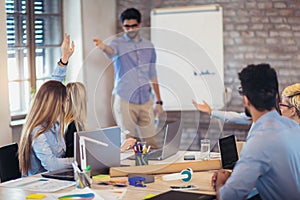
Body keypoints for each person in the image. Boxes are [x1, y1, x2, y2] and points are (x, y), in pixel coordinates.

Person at [211, 64, 300, 199]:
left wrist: (220, 183)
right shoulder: (293, 127)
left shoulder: (259, 141)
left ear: (246, 100)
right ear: (276, 96)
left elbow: (228, 196)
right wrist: (238, 177)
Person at [93, 8, 163, 147]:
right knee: (128, 140)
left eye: (133, 26)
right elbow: (110, 52)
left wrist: (159, 102)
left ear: (140, 25)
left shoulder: (148, 46)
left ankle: (152, 168)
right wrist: (102, 47)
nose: (130, 29)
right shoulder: (117, 43)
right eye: (126, 26)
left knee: (151, 141)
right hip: (125, 98)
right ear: (122, 26)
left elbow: (152, 74)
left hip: (145, 99)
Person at [18, 80, 73, 176]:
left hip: (53, 178)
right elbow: (51, 165)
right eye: (66, 100)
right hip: (38, 184)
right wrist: (77, 161)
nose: (67, 104)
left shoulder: (55, 124)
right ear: (56, 103)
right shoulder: (37, 130)